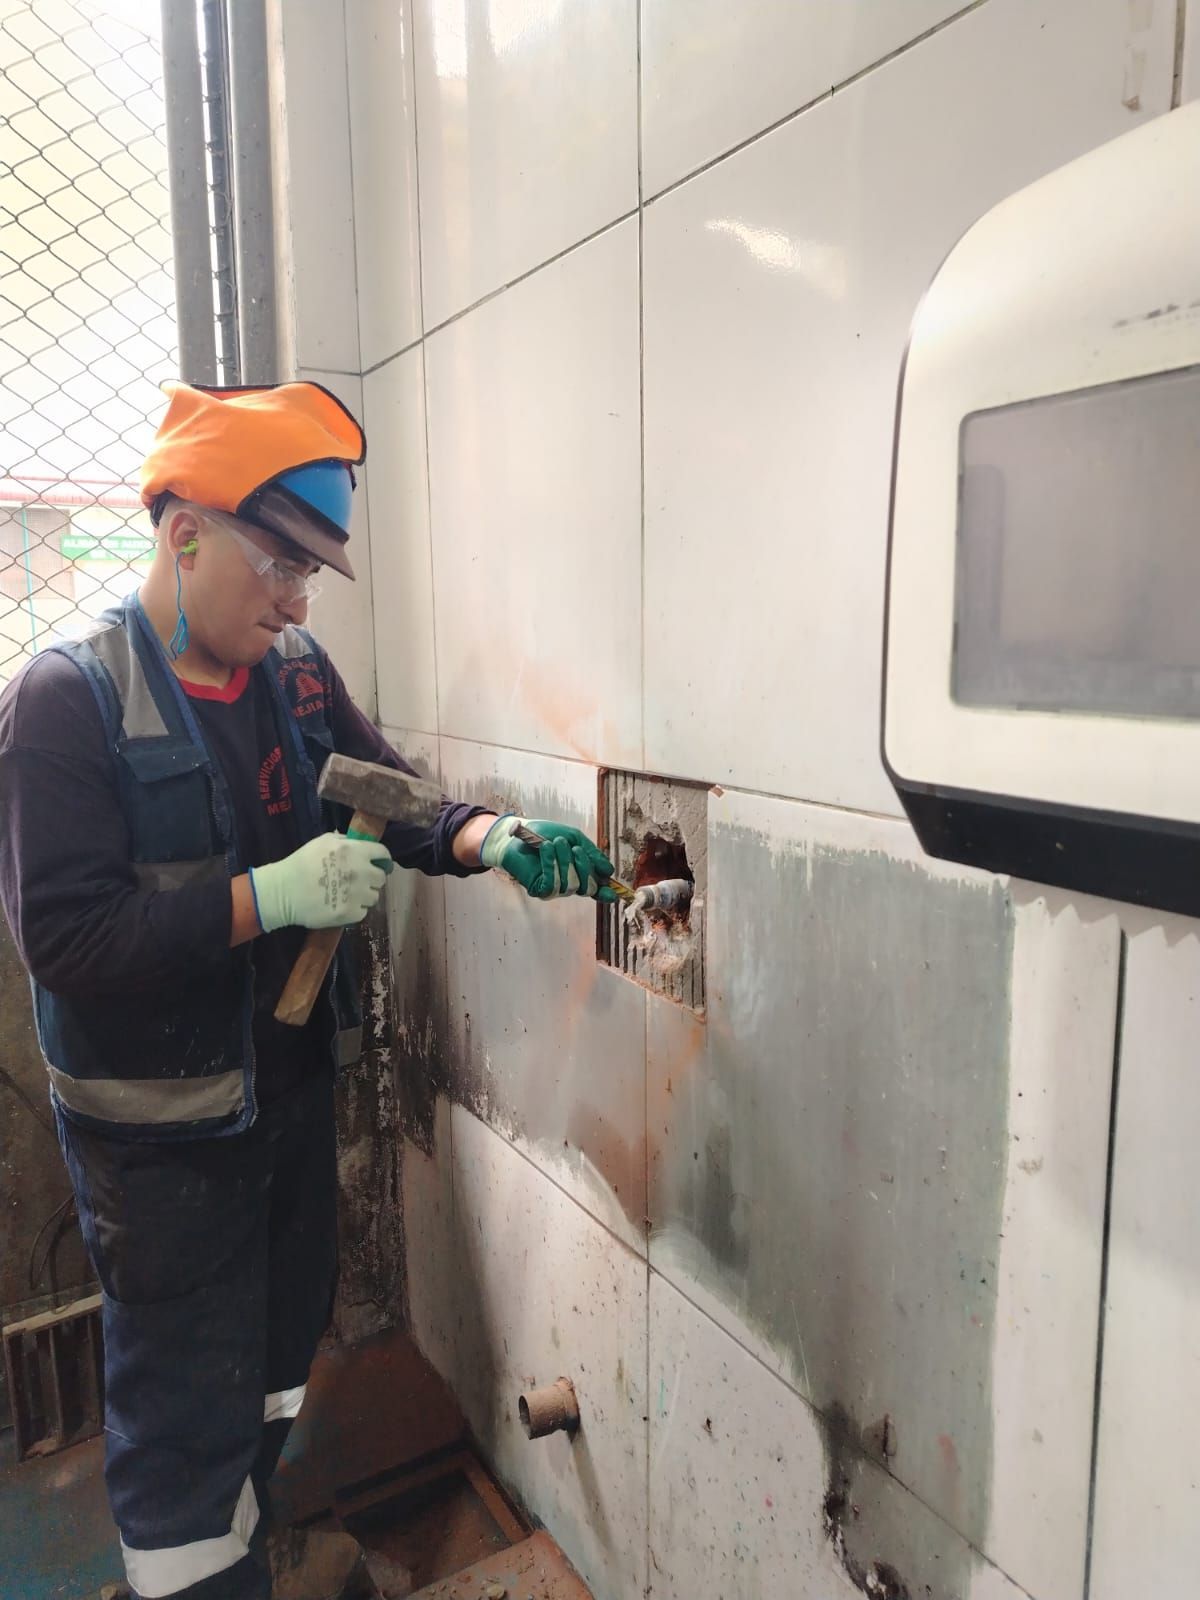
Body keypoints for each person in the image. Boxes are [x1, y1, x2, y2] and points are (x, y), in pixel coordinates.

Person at [0, 381, 615, 1600]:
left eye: (311, 577)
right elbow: (67, 939)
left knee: (280, 1365)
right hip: (159, 1153)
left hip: (283, 1109)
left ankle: (256, 1535)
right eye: (277, 564)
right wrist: (265, 899)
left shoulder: (290, 672)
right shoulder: (64, 700)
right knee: (183, 1418)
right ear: (183, 534)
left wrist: (485, 836)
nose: (294, 600)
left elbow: (390, 795)